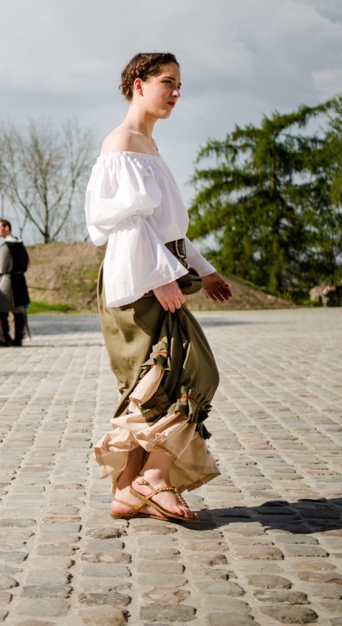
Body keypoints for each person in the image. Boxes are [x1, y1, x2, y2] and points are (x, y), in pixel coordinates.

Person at [86, 52, 234, 523]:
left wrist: (204, 270)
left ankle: (130, 489)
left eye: (179, 85)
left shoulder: (147, 146)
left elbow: (166, 228)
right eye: (167, 82)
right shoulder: (122, 143)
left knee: (153, 387)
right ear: (137, 83)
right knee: (186, 377)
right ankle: (153, 480)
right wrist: (162, 276)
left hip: (154, 270)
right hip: (138, 280)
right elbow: (126, 224)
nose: (175, 92)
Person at [0, 218, 30, 347]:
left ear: (6, 227)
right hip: (20, 280)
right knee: (18, 311)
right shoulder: (20, 244)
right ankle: (18, 338)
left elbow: (0, 268)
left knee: (1, 310)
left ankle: (5, 338)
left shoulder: (6, 246)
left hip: (7, 281)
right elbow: (26, 263)